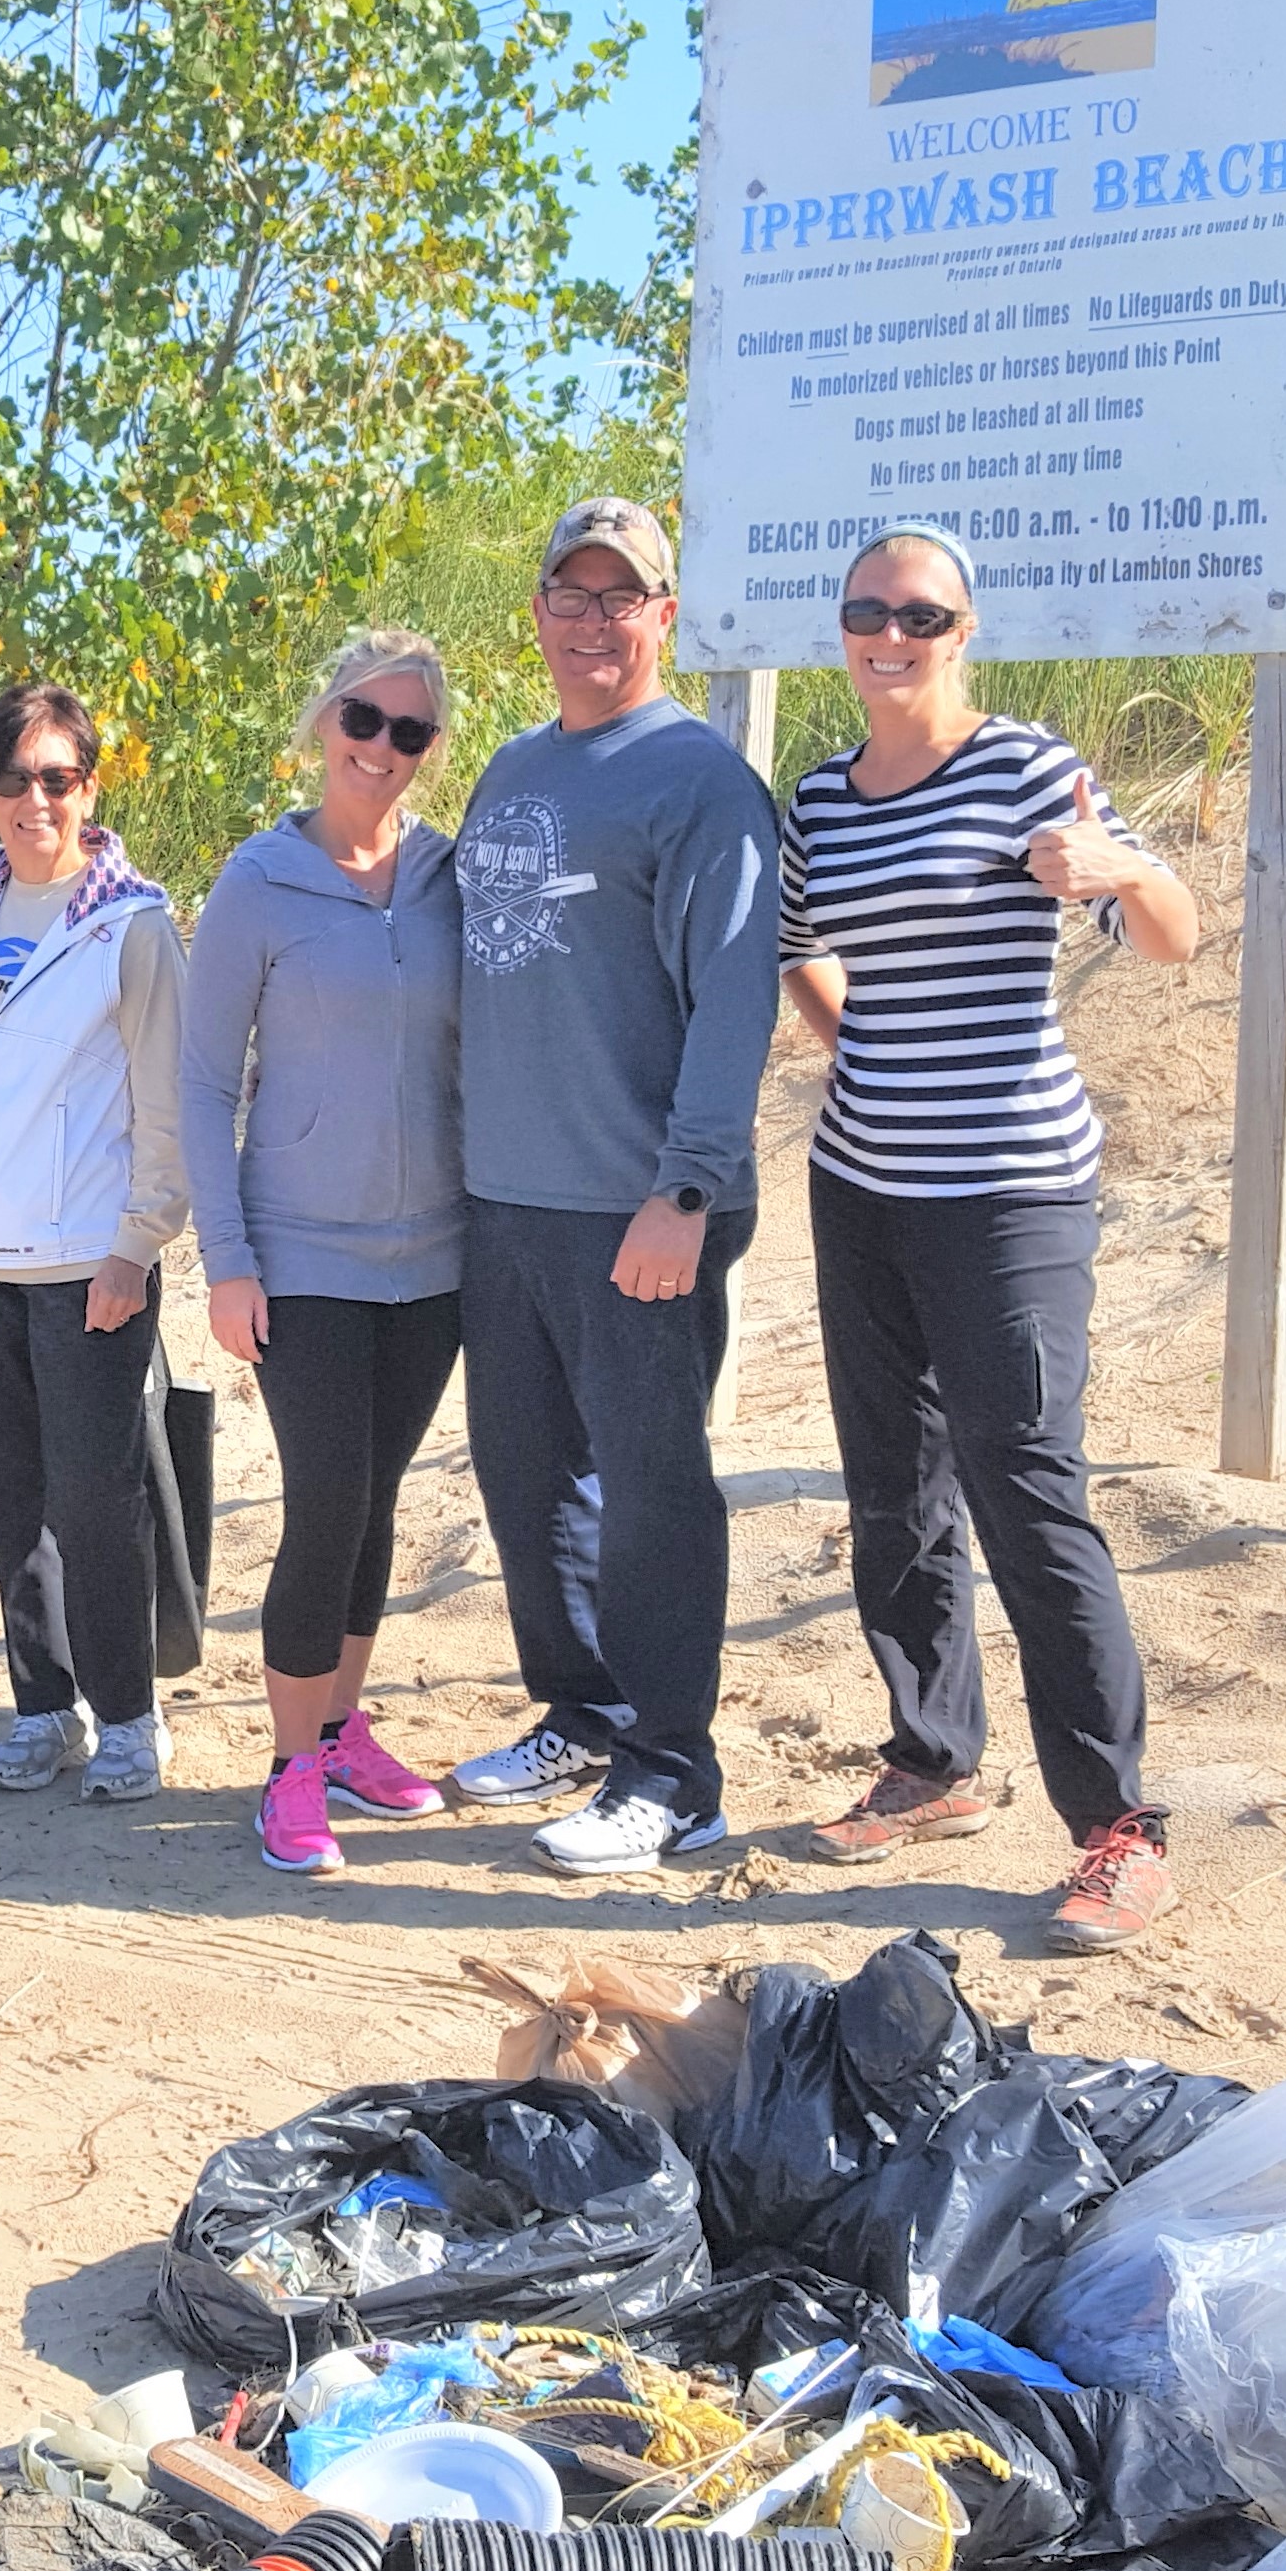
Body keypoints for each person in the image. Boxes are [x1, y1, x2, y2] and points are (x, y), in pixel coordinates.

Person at [778, 523, 1202, 1952]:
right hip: (863, 1186)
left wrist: (1112, 870)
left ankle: (1118, 1824)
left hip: (1013, 1191)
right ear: (840, 631)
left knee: (1026, 1488)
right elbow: (801, 949)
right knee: (893, 1484)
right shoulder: (821, 800)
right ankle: (932, 1758)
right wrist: (868, 1056)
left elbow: (1174, 934)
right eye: (865, 611)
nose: (888, 632)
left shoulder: (1028, 767)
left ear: (963, 631)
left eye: (919, 612)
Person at [442, 498, 782, 1876]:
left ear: (662, 616)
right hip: (507, 1199)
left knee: (652, 1487)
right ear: (537, 611)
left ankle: (673, 1770)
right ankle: (581, 1713)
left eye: (617, 597)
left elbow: (733, 998)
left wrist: (685, 1191)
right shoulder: (512, 770)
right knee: (529, 1478)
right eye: (568, 594)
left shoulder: (697, 780)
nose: (590, 619)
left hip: (637, 1204)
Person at [184, 631, 469, 1877]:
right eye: (364, 718)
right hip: (300, 1252)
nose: (380, 748)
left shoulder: (452, 876)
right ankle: (289, 1769)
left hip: (436, 1255)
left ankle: (345, 1733)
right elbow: (199, 1087)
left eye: (410, 732)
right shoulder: (257, 881)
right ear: (323, 720)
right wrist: (227, 1258)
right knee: (326, 1501)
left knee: (379, 1507)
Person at [0, 682, 191, 1803]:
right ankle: (43, 1711)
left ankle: (128, 1717)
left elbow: (171, 1106)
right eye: (16, 779)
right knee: (4, 1497)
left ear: (91, 786)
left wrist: (138, 1242)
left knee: (95, 1498)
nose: (39, 800)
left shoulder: (131, 926)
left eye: (61, 778)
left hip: (90, 1265)